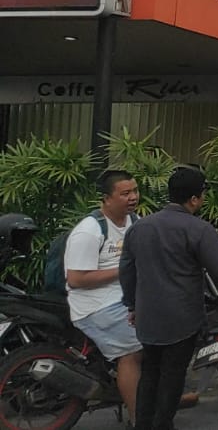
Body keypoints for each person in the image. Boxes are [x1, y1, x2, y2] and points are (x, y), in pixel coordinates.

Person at [119, 167, 218, 430]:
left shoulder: (139, 227)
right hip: (181, 318)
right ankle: (161, 425)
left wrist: (133, 306)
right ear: (194, 199)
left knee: (150, 374)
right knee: (172, 376)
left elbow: (127, 272)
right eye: (202, 194)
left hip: (148, 317)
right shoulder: (199, 229)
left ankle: (143, 425)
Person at [63, 171, 142, 418]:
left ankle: (159, 397)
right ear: (107, 198)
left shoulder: (135, 222)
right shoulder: (89, 230)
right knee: (134, 350)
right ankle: (140, 418)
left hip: (125, 299)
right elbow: (75, 279)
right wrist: (122, 270)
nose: (133, 197)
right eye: (125, 193)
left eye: (135, 191)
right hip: (95, 306)